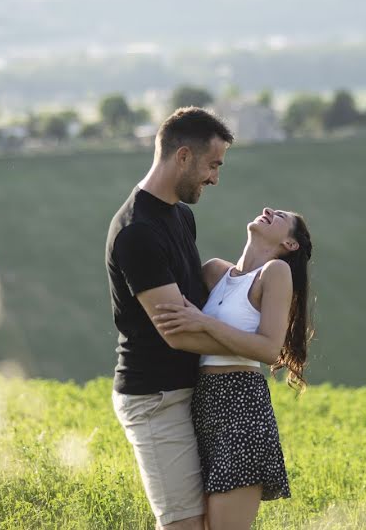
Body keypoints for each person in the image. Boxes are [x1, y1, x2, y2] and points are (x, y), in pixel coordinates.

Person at [105, 106, 236, 530]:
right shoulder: (136, 231)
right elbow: (178, 332)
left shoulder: (181, 216)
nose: (215, 177)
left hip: (187, 392)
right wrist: (256, 347)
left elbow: (192, 309)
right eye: (212, 165)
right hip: (155, 400)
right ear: (183, 156)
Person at [152, 206, 315, 530]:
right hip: (199, 407)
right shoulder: (214, 272)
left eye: (281, 216)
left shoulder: (275, 273)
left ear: (290, 244)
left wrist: (203, 321)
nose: (268, 210)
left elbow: (269, 349)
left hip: (243, 411)